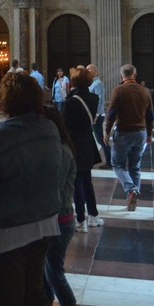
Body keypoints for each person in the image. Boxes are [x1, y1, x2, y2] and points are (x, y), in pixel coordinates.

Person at [0, 72, 75, 306]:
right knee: (34, 294)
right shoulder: (50, 130)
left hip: (4, 233)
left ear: (5, 101)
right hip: (44, 225)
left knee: (5, 299)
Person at [103, 64, 154, 211]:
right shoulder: (145, 91)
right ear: (135, 74)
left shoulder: (119, 90)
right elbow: (150, 116)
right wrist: (149, 134)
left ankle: (131, 190)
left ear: (121, 76)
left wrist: (107, 132)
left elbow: (112, 113)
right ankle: (133, 199)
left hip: (124, 133)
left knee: (118, 164)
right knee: (135, 166)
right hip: (141, 133)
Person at [42, 106, 78, 306]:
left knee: (55, 274)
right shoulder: (56, 148)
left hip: (60, 220)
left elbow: (53, 186)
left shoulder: (61, 152)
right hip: (52, 219)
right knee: (44, 274)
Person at [63, 70, 104, 233]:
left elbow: (66, 127)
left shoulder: (71, 102)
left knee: (77, 183)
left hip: (75, 145)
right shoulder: (94, 98)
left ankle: (80, 219)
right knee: (87, 181)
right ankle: (93, 215)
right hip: (88, 144)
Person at [86, 64, 111, 167]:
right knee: (93, 138)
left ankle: (109, 160)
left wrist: (96, 114)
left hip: (97, 116)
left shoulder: (98, 83)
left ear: (95, 72)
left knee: (100, 139)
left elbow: (100, 100)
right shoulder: (92, 83)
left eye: (89, 70)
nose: (87, 72)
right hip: (92, 115)